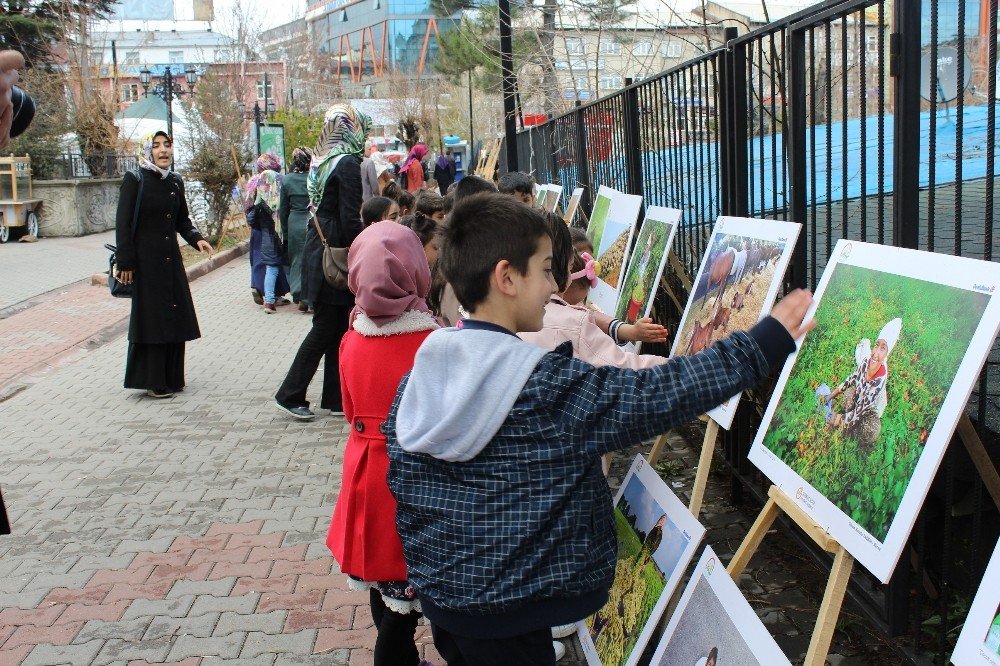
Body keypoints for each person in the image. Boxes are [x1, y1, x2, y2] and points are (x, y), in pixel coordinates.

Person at [385, 193, 815, 664]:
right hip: (509, 609)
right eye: (547, 270)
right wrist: (760, 344)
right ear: (506, 277)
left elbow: (405, 480)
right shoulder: (538, 386)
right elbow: (654, 397)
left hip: (447, 596)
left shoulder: (425, 371)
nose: (554, 285)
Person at [327, 221, 439, 666]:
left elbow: (350, 410)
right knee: (406, 600)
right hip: (415, 481)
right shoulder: (434, 342)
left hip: (365, 478)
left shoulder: (351, 339)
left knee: (381, 582)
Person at [274, 104, 371, 421]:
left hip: (320, 250)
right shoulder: (347, 164)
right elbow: (349, 218)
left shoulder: (323, 160)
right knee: (327, 327)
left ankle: (334, 397)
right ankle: (290, 393)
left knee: (335, 326)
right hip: (337, 255)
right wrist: (366, 250)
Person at [114, 131, 214, 398]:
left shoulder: (175, 181)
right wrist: (125, 261)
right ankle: (153, 380)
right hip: (145, 262)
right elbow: (123, 223)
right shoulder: (135, 180)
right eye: (156, 146)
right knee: (152, 318)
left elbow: (182, 220)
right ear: (147, 151)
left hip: (171, 260)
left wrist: (197, 239)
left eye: (167, 145)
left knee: (173, 314)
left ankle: (172, 377)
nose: (163, 151)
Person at [817, 318, 902, 448]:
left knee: (871, 430)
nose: (875, 353)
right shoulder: (866, 360)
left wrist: (839, 419)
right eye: (876, 345)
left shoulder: (880, 378)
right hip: (858, 400)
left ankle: (851, 429)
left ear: (886, 354)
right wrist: (830, 396)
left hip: (869, 410)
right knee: (849, 393)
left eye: (883, 348)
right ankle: (846, 422)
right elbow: (850, 379)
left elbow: (863, 408)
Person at [248, 153, 290, 306]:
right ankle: (269, 293)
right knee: (272, 262)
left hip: (258, 228)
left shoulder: (254, 181)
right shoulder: (279, 181)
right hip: (273, 226)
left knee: (259, 259)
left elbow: (248, 205)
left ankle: (258, 287)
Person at [280, 147, 312, 311]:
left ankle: (299, 295)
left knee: (296, 259)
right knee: (313, 258)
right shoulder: (315, 177)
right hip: (311, 219)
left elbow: (283, 209)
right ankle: (311, 298)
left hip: (294, 222)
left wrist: (285, 232)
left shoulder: (287, 180)